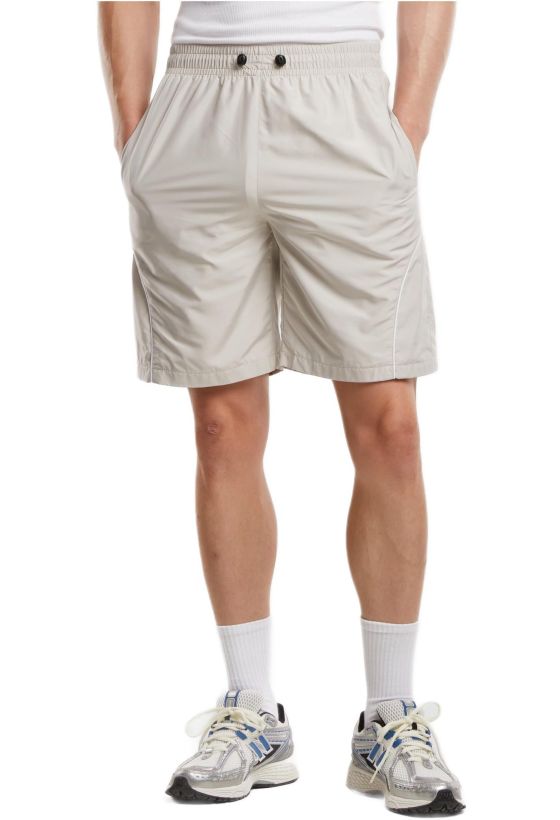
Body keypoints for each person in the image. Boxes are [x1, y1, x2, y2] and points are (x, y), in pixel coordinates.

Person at [99, 1, 463, 813]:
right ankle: (252, 709)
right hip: (199, 108)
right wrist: (133, 128)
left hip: (343, 104)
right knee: (221, 429)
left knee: (392, 431)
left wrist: (407, 126)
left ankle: (390, 715)